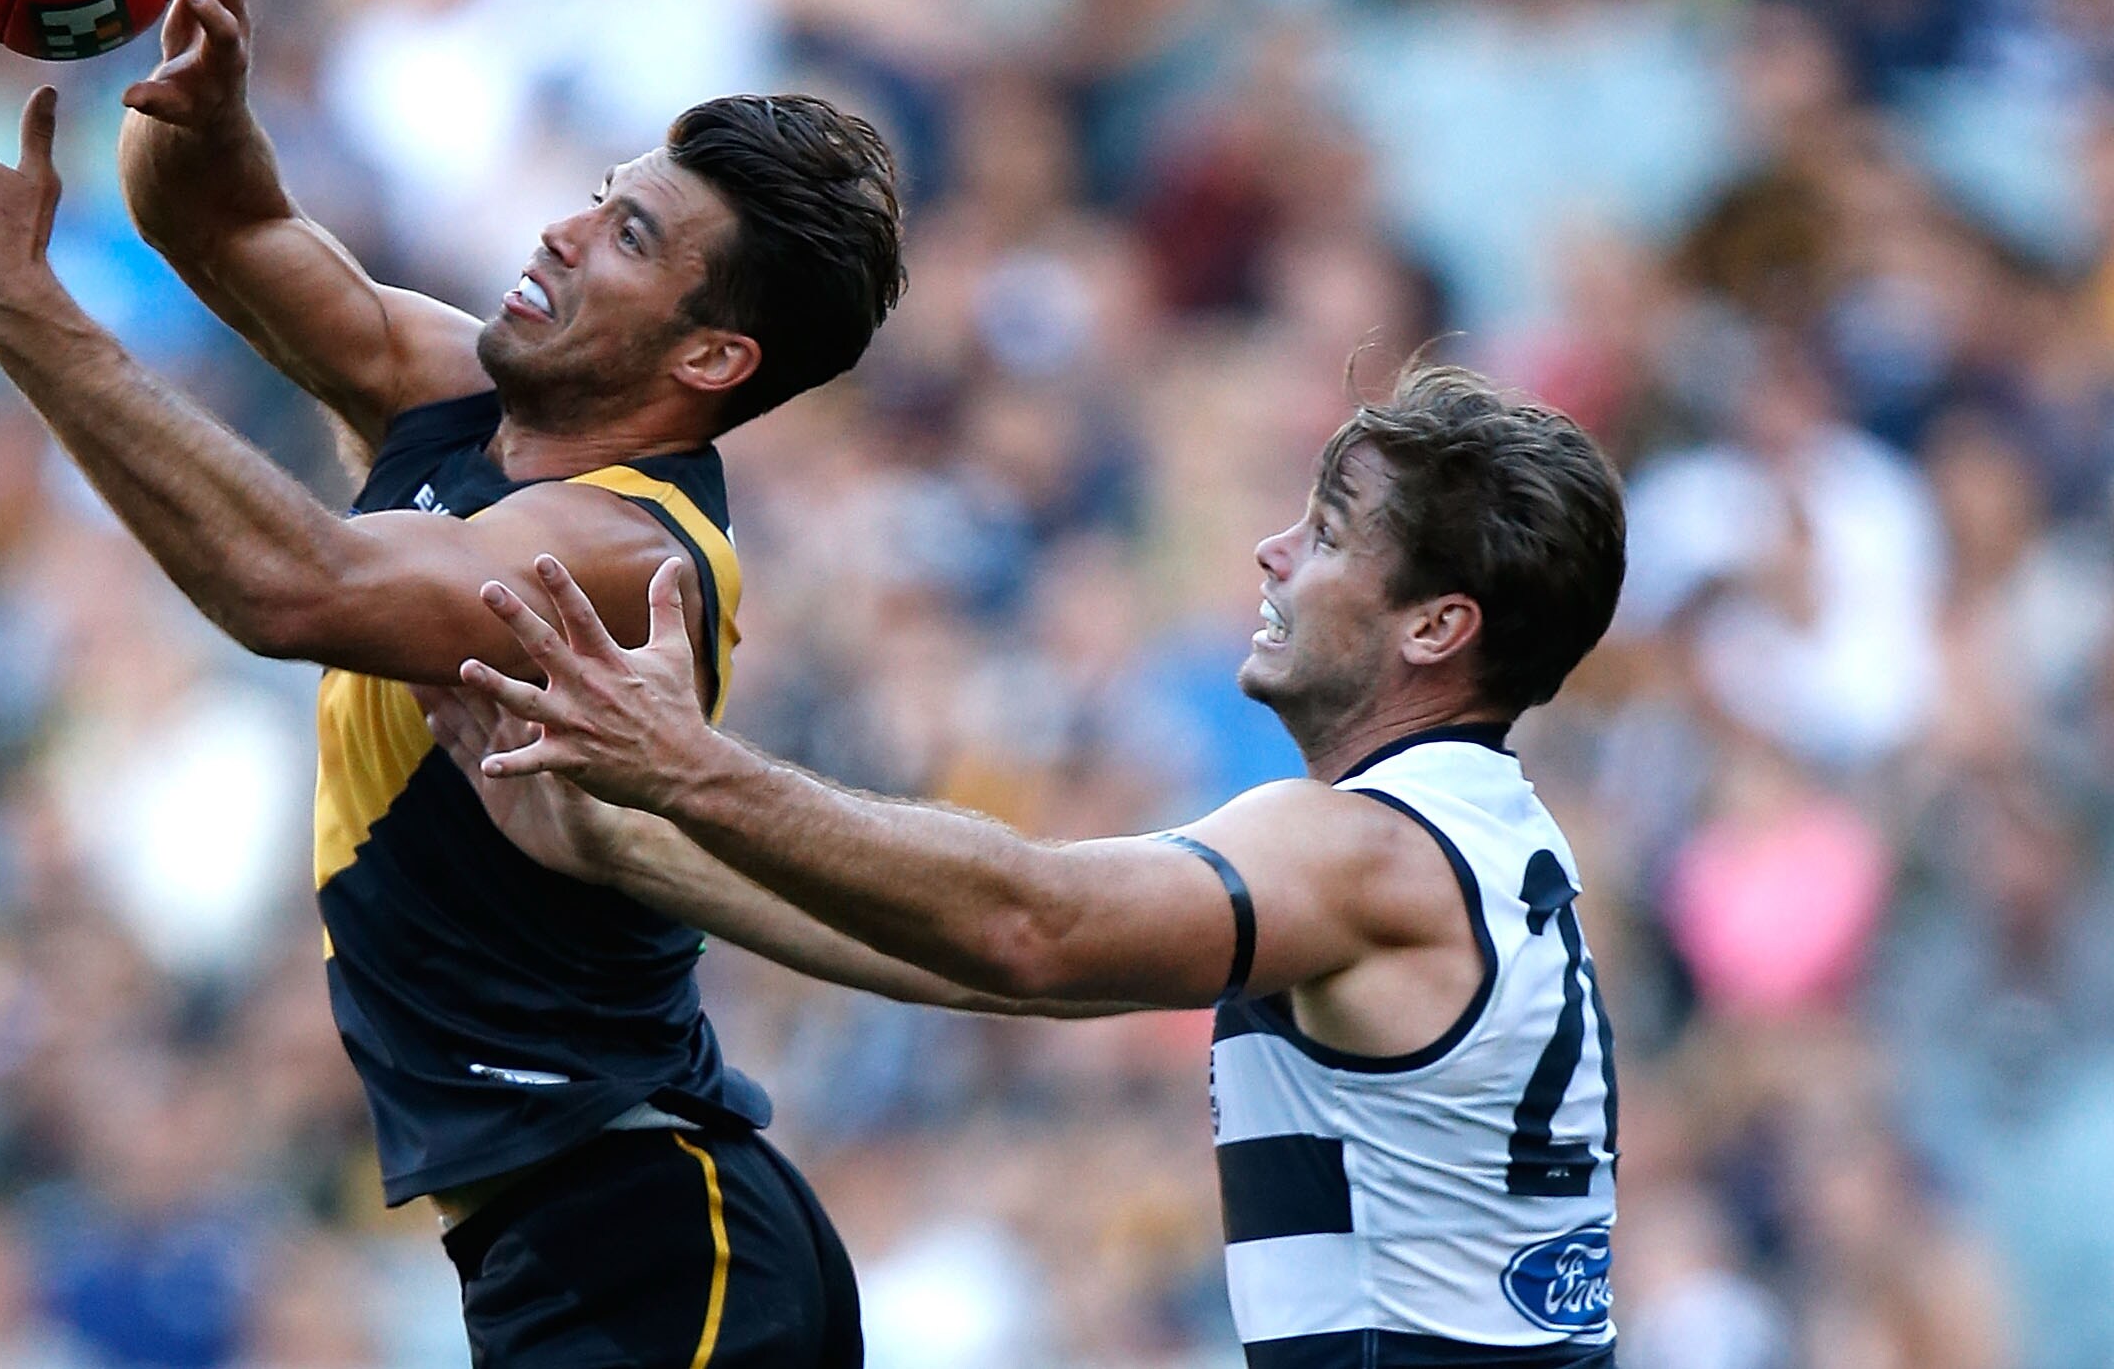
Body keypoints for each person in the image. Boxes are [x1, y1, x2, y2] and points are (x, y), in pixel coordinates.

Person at [0, 0, 913, 1366]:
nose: (562, 228)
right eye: (601, 195)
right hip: (574, 1236)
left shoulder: (625, 553)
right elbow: (219, 226)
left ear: (711, 357)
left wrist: (19, 303)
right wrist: (206, 104)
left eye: (628, 235)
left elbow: (286, 584)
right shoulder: (473, 399)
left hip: (658, 1236)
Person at [436, 363, 1629, 1367]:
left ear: (1436, 625)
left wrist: (682, 764)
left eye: (1325, 533)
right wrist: (629, 846)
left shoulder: (1366, 846)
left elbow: (1027, 924)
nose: (1270, 551)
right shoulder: (1476, 833)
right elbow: (984, 963)